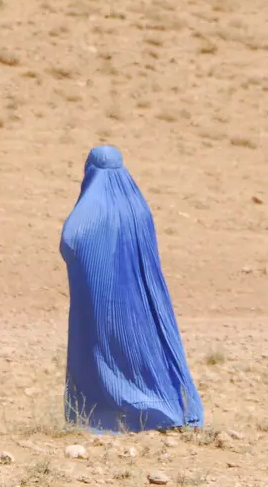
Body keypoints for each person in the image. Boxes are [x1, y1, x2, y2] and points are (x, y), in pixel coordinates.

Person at [58, 145, 204, 433]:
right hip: (141, 297)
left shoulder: (92, 205)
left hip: (101, 298)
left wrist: (86, 265)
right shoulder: (138, 205)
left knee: (101, 349)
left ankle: (106, 413)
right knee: (147, 344)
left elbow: (70, 238)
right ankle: (169, 406)